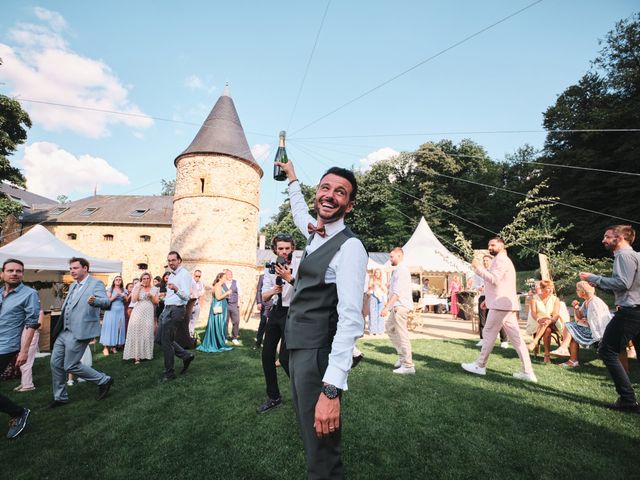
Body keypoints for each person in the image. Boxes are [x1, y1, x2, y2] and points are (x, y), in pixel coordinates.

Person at [276, 158, 367, 479]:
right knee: (309, 435)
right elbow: (301, 213)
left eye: (340, 192)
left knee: (322, 450)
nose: (329, 195)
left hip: (317, 354)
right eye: (325, 188)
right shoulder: (316, 233)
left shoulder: (351, 247)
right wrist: (292, 179)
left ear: (350, 205)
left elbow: (351, 320)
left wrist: (331, 390)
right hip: (298, 349)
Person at [580, 224, 640, 412]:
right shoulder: (635, 256)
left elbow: (623, 283)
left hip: (630, 312)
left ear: (620, 238)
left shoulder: (623, 255)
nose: (603, 240)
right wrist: (599, 283)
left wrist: (595, 277)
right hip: (636, 310)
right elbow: (625, 286)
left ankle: (627, 399)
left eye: (607, 237)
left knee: (607, 351)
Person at [462, 238, 537, 383]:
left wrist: (478, 269)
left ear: (502, 246)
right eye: (489, 245)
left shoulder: (501, 260)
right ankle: (528, 371)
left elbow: (494, 279)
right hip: (503, 304)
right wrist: (487, 300)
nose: (489, 247)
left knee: (488, 333)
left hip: (500, 305)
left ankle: (480, 365)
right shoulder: (502, 260)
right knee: (516, 339)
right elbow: (500, 284)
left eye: (493, 244)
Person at [49, 257, 114, 407]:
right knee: (55, 363)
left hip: (80, 330)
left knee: (70, 365)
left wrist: (95, 301)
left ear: (85, 268)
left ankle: (104, 380)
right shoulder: (73, 285)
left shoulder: (95, 283)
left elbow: (106, 302)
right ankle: (60, 397)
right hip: (64, 330)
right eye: (71, 268)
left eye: (75, 268)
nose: (72, 271)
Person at [256, 233, 298, 414]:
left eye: (287, 248)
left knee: (285, 359)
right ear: (275, 250)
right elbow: (264, 296)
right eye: (281, 248)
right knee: (266, 355)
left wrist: (290, 278)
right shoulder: (269, 268)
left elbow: (306, 291)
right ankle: (274, 397)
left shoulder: (299, 265)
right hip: (276, 311)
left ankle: (305, 392)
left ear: (292, 249)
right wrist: (273, 290)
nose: (284, 252)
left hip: (293, 312)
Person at [0, 259, 39, 439]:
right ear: (2, 273)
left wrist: (24, 351)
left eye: (18, 271)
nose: (14, 273)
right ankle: (17, 412)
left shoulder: (29, 294)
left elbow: (32, 323)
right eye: (10, 270)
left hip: (6, 347)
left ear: (22, 274)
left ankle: (18, 412)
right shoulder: (0, 293)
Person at [550, 281, 612, 368]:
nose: (576, 291)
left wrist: (585, 322)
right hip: (591, 329)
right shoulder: (587, 301)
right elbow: (580, 316)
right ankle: (572, 359)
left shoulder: (595, 302)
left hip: (598, 333)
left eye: (577, 290)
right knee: (571, 328)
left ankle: (565, 350)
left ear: (583, 292)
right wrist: (576, 308)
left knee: (570, 327)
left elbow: (598, 322)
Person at [156, 251, 195, 383]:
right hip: (167, 309)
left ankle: (169, 373)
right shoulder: (171, 275)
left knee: (166, 341)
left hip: (176, 310)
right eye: (169, 260)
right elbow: (170, 295)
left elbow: (186, 296)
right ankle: (186, 355)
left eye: (173, 260)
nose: (171, 262)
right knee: (160, 339)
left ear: (179, 260)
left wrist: (176, 289)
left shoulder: (184, 275)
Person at [381, 248, 415, 374]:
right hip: (397, 306)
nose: (390, 259)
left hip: (400, 307)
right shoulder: (398, 270)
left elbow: (397, 293)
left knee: (402, 335)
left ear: (400, 256)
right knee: (389, 328)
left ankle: (408, 365)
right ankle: (402, 358)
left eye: (392, 256)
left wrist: (386, 308)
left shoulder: (401, 270)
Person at [123, 272, 159, 364]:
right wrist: (138, 288)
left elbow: (156, 302)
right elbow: (134, 300)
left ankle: (146, 354)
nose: (146, 280)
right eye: (144, 278)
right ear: (141, 279)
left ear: (150, 279)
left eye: (147, 278)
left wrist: (151, 296)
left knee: (147, 331)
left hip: (149, 311)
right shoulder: (137, 287)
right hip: (138, 311)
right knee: (136, 331)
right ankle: (136, 357)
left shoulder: (155, 289)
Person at [527, 280, 564, 363]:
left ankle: (534, 341)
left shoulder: (555, 299)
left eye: (552, 288)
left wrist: (550, 319)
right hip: (537, 321)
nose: (551, 290)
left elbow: (555, 314)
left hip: (552, 321)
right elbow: (533, 312)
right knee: (547, 330)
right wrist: (539, 319)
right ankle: (547, 355)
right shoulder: (534, 298)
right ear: (542, 289)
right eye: (548, 288)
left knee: (547, 321)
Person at [475, 255, 508, 349]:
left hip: (494, 297)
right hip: (483, 296)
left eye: (487, 260)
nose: (485, 262)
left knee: (498, 319)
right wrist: (479, 287)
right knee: (482, 319)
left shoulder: (496, 271)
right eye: (484, 261)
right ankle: (482, 339)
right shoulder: (479, 272)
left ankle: (504, 340)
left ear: (492, 261)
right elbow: (476, 284)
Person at [197, 272, 233, 353]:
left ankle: (218, 342)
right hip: (218, 308)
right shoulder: (218, 285)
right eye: (224, 277)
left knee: (220, 325)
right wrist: (227, 293)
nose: (225, 279)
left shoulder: (220, 285)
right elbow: (218, 297)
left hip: (220, 307)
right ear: (220, 278)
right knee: (218, 324)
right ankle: (216, 343)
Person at [14, 310, 43, 393]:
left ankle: (28, 385)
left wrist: (30, 326)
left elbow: (40, 326)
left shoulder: (39, 312)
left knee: (27, 361)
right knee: (21, 361)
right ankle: (24, 382)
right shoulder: (26, 312)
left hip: (32, 336)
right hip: (24, 334)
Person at [99, 275, 127, 356]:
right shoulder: (110, 289)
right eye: (116, 280)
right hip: (111, 310)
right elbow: (108, 300)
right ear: (114, 281)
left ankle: (114, 346)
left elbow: (126, 300)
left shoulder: (124, 290)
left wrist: (124, 296)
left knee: (118, 328)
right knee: (109, 328)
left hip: (121, 310)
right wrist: (115, 296)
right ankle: (105, 347)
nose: (118, 281)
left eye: (119, 280)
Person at [222, 269, 242, 345]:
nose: (230, 276)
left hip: (234, 304)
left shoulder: (236, 282)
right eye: (229, 274)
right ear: (225, 275)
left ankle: (234, 337)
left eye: (231, 274)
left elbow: (240, 293)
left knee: (236, 321)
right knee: (225, 321)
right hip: (225, 304)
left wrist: (240, 302)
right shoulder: (222, 283)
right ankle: (225, 337)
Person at [253, 273, 272, 349]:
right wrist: (259, 302)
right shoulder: (263, 276)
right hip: (265, 304)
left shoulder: (279, 275)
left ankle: (268, 345)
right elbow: (258, 290)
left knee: (272, 326)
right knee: (263, 323)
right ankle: (258, 343)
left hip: (275, 304)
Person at [367, 269, 386, 335]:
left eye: (379, 272)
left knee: (380, 313)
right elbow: (369, 288)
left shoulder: (382, 280)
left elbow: (385, 290)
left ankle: (380, 330)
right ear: (374, 273)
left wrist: (380, 286)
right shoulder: (371, 279)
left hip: (381, 297)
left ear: (380, 273)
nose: (377, 274)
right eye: (376, 272)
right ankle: (372, 330)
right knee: (373, 313)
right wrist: (373, 285)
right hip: (373, 296)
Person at [189, 270, 205, 337]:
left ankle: (191, 333)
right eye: (196, 276)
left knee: (194, 320)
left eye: (199, 276)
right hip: (190, 304)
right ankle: (187, 334)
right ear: (194, 275)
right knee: (188, 320)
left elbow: (202, 292)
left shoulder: (201, 283)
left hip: (197, 304)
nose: (197, 277)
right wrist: (196, 294)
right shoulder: (190, 282)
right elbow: (189, 293)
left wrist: (196, 294)